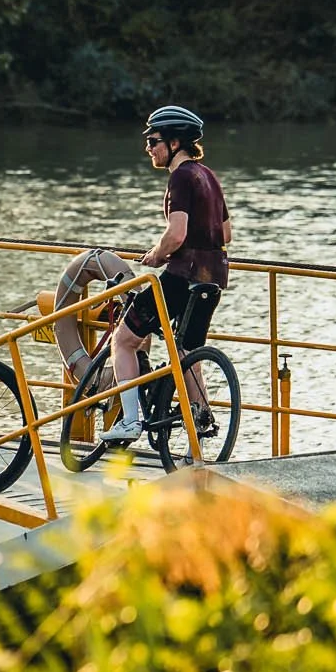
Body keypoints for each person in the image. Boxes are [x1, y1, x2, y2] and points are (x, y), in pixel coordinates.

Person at [101, 104, 231, 444]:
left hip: (182, 278)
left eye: (153, 140)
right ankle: (201, 425)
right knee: (188, 352)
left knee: (124, 341)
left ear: (175, 142)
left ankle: (130, 421)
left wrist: (156, 256)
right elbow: (226, 233)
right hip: (212, 278)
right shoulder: (209, 177)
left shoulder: (182, 176)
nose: (148, 147)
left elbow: (177, 233)